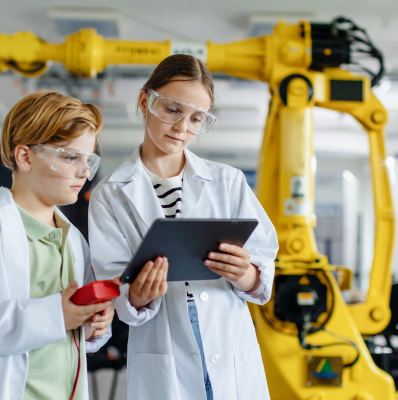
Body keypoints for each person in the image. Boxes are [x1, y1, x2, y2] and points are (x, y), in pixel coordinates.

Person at [88, 54, 279, 400]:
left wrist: (245, 273)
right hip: (164, 349)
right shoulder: (110, 194)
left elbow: (263, 259)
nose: (182, 128)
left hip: (229, 345)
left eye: (196, 119)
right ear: (146, 100)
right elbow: (114, 282)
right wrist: (138, 296)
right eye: (173, 110)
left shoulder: (227, 181)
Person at [0, 91, 115, 400]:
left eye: (88, 160)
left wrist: (93, 324)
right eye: (70, 157)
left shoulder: (73, 240)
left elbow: (68, 335)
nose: (84, 172)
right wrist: (55, 315)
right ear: (25, 157)